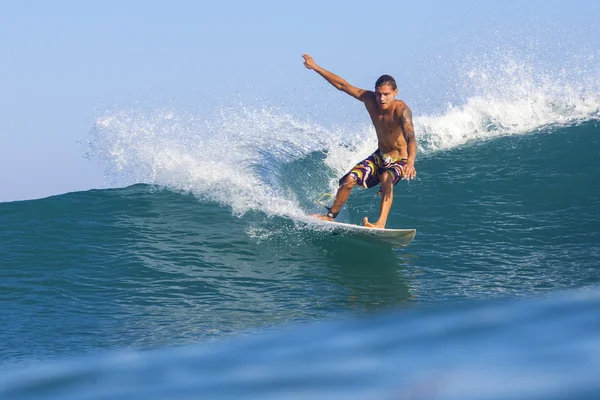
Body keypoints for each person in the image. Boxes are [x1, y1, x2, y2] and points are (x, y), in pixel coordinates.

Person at [303, 53, 417, 229]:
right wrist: (316, 67)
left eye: (386, 94)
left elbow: (411, 137)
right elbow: (342, 85)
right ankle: (330, 216)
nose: (382, 99)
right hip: (380, 156)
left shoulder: (402, 110)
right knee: (349, 180)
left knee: (387, 176)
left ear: (395, 92)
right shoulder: (369, 99)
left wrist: (410, 162)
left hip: (400, 160)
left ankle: (380, 223)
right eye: (379, 94)